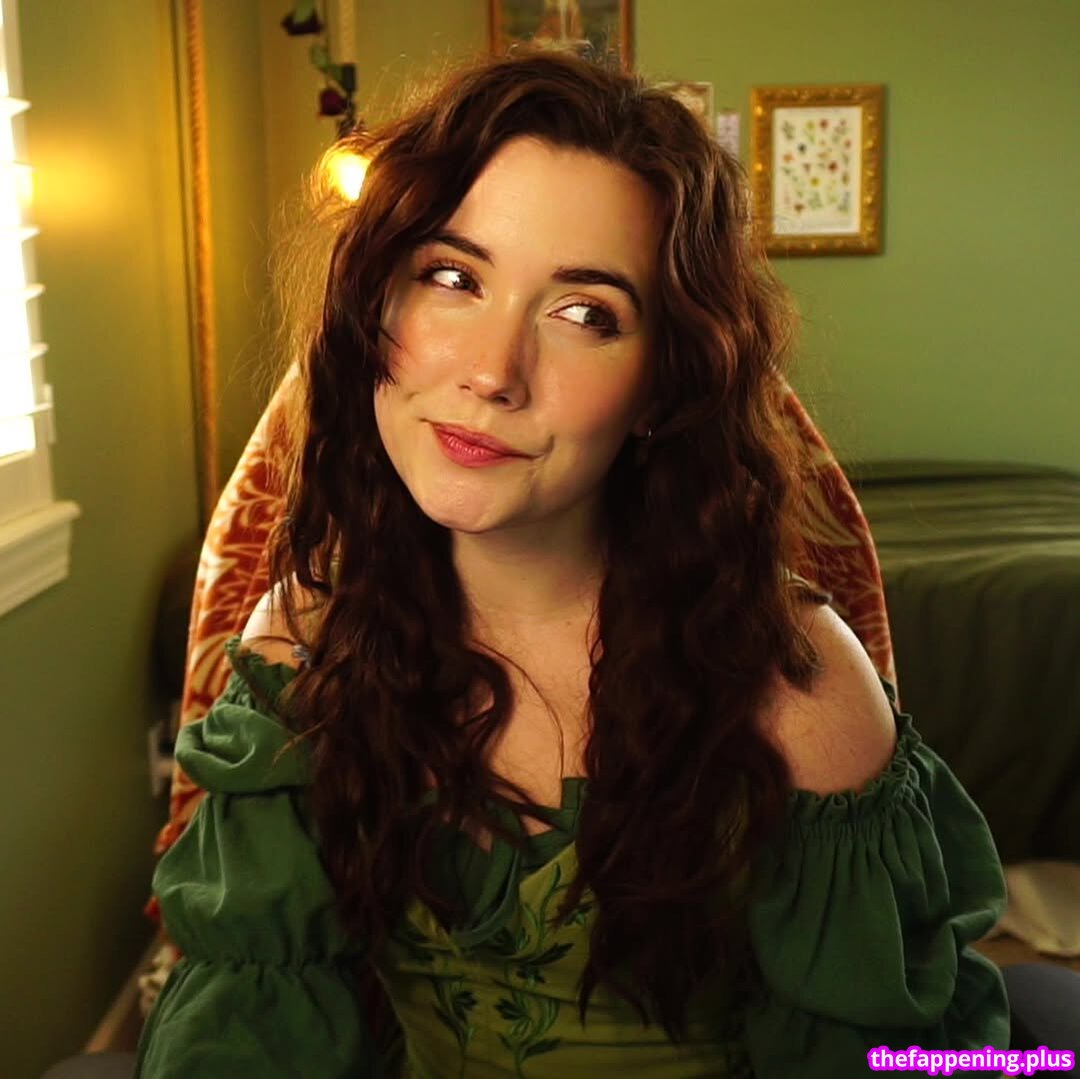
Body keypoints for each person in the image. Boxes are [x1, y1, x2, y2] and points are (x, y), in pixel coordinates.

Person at [135, 47, 1010, 1078]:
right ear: (375, 306)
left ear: (662, 384)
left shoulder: (796, 690)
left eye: (585, 312)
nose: (492, 372)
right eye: (452, 277)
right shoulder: (303, 641)